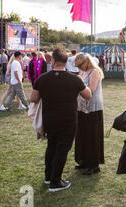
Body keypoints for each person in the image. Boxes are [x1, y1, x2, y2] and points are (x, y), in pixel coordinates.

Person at [30, 48, 92, 192]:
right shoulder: (75, 79)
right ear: (66, 62)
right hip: (68, 120)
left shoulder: (43, 78)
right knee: (62, 149)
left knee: (51, 146)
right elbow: (87, 95)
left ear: (53, 61)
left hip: (49, 119)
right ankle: (55, 181)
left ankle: (48, 177)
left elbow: (33, 98)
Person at [74, 53, 105, 175]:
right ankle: (84, 161)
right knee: (82, 135)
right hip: (81, 107)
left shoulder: (95, 72)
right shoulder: (82, 72)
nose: (79, 68)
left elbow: (90, 90)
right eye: (77, 66)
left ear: (87, 62)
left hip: (93, 108)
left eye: (80, 65)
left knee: (92, 136)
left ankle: (93, 164)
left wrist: (77, 87)